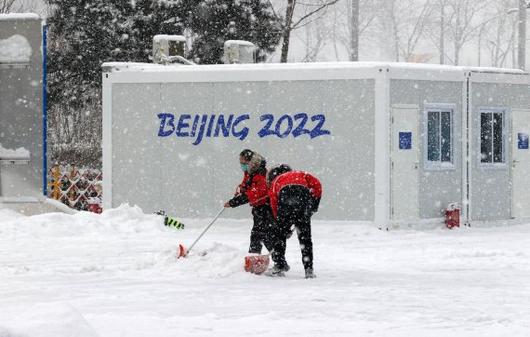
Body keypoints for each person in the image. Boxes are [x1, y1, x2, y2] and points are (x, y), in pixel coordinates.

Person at [266, 164, 322, 278]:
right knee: (305, 238)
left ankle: (279, 266)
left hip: (284, 199)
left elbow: (273, 204)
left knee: (279, 236)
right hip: (303, 199)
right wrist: (314, 205)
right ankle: (309, 270)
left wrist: (282, 226)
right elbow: (317, 185)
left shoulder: (276, 181)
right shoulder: (302, 174)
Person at [224, 149, 274, 254]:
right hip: (258, 208)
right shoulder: (250, 171)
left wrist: (234, 202)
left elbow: (254, 194)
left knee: (262, 234)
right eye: (240, 163)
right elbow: (246, 184)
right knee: (261, 234)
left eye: (243, 163)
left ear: (250, 162)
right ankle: (257, 257)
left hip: (266, 207)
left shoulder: (261, 174)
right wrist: (241, 190)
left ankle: (275, 260)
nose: (242, 165)